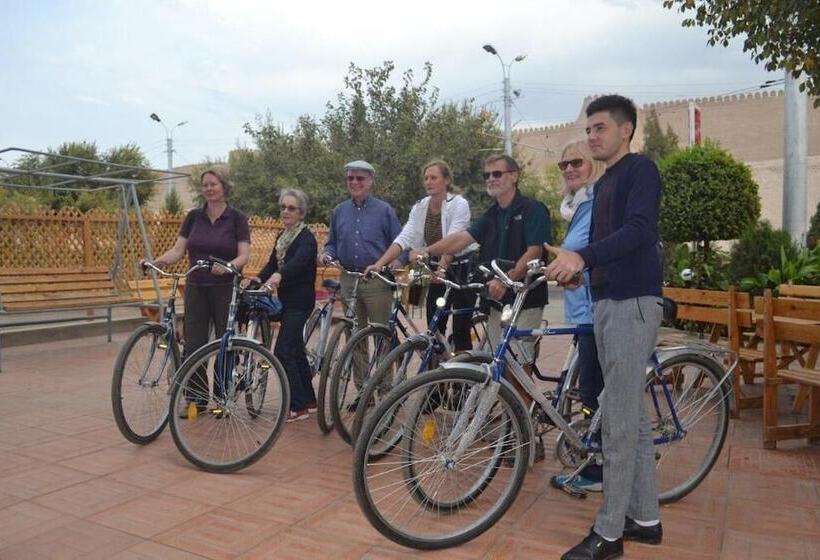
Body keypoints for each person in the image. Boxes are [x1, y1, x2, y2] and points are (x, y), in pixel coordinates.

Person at [545, 95, 665, 560]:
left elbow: (639, 231)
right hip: (608, 301)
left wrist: (585, 257)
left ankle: (610, 533)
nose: (592, 135)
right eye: (589, 128)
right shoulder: (606, 182)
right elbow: (600, 245)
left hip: (633, 303)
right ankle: (646, 519)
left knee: (615, 419)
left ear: (626, 130)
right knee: (629, 413)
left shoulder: (640, 171)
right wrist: (581, 270)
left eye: (600, 128)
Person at [410, 154, 551, 459]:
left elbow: (534, 249)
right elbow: (461, 238)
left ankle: (527, 438)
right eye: (487, 175)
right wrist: (426, 251)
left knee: (520, 368)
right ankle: (511, 428)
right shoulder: (491, 214)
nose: (491, 179)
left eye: (497, 173)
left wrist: (511, 277)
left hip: (523, 298)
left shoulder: (532, 209)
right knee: (500, 365)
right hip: (495, 301)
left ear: (514, 175)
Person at [149, 166, 250, 413]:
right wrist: (157, 261)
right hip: (196, 286)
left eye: (213, 184)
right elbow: (177, 250)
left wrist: (227, 267)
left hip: (225, 288)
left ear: (224, 186)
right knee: (194, 345)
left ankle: (223, 397)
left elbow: (243, 256)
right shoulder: (193, 217)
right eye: (205, 184)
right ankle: (196, 399)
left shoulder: (237, 218)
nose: (208, 188)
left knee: (225, 345)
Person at [365, 159, 477, 352]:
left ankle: (464, 380)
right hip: (430, 262)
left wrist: (441, 269)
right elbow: (405, 237)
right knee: (432, 325)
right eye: (426, 178)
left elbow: (453, 240)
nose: (428, 182)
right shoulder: (420, 207)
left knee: (460, 329)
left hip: (460, 265)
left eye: (434, 177)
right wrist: (379, 263)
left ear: (446, 180)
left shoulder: (459, 204)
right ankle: (434, 373)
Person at [549, 140, 606, 494]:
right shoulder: (579, 207)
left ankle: (600, 469)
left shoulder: (596, 202)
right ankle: (595, 454)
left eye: (577, 162)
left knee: (593, 392)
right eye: (564, 164)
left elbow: (585, 252)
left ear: (593, 165)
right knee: (587, 390)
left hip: (596, 310)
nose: (569, 169)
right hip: (582, 310)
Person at [319, 160, 402, 393]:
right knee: (354, 337)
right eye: (350, 178)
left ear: (371, 181)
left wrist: (396, 263)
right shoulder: (339, 211)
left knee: (381, 336)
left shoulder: (385, 211)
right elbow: (332, 243)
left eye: (360, 178)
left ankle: (385, 391)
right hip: (348, 280)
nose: (354, 182)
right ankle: (363, 391)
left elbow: (401, 243)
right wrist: (327, 253)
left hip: (377, 281)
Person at [245, 189, 317, 423]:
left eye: (291, 208)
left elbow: (297, 264)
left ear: (301, 213)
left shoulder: (306, 238)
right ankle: (308, 400)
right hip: (286, 301)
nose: (285, 211)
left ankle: (297, 406)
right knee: (295, 350)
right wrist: (256, 278)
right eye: (283, 207)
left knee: (283, 351)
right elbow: (272, 264)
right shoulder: (282, 237)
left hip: (300, 301)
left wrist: (278, 276)